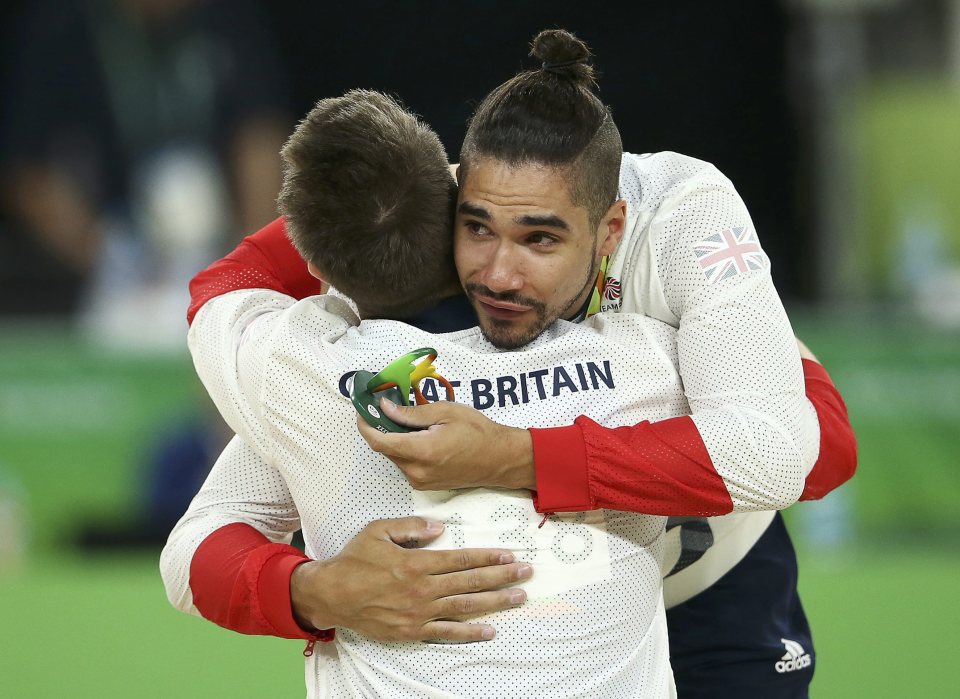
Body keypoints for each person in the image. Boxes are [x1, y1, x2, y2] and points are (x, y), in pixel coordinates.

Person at [164, 30, 855, 698]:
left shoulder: (678, 227)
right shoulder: (396, 309)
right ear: (451, 205)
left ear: (610, 229)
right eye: (477, 228)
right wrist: (318, 589)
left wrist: (517, 456)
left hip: (707, 580)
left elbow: (808, 446)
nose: (497, 275)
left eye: (540, 239)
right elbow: (202, 534)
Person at [172, 88, 683, 697]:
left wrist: (319, 593)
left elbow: (225, 284)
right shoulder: (640, 357)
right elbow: (799, 435)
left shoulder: (299, 374)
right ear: (458, 212)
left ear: (319, 267)